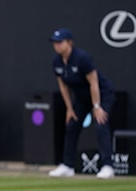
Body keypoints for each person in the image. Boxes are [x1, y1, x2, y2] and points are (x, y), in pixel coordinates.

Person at [48, 28, 115, 179]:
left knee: (101, 124)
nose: (57, 45)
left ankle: (107, 166)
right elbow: (63, 86)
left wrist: (97, 107)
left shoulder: (82, 58)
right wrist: (69, 108)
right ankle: (68, 166)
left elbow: (94, 82)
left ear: (69, 43)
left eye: (60, 42)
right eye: (55, 42)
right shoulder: (56, 61)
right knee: (72, 125)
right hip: (81, 98)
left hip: (101, 94)